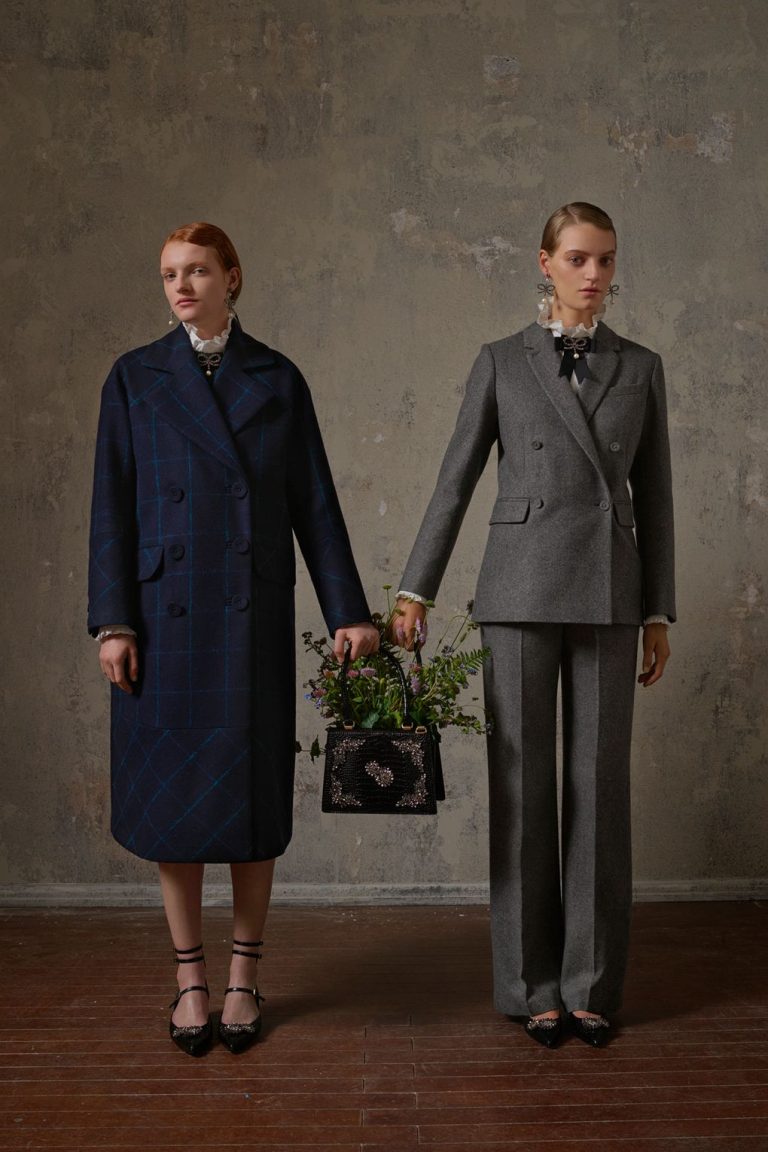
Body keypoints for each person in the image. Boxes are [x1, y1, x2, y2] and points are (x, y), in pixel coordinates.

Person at [88, 222, 378, 1056]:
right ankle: (190, 979)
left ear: (232, 277)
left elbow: (314, 502)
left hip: (248, 623)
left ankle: (245, 974)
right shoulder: (134, 378)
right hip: (162, 622)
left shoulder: (278, 379)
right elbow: (111, 505)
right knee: (171, 810)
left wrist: (349, 612)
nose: (181, 286)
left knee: (250, 806)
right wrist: (113, 620)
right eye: (169, 274)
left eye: (197, 271)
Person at [391, 202, 675, 1048]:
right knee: (522, 791)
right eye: (578, 258)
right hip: (517, 590)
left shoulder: (641, 366)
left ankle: (589, 984)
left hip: (611, 591)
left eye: (606, 259)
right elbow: (455, 479)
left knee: (599, 789)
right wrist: (415, 589)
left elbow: (656, 495)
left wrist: (657, 609)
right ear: (544, 262)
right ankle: (528, 985)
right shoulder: (500, 361)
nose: (595, 274)